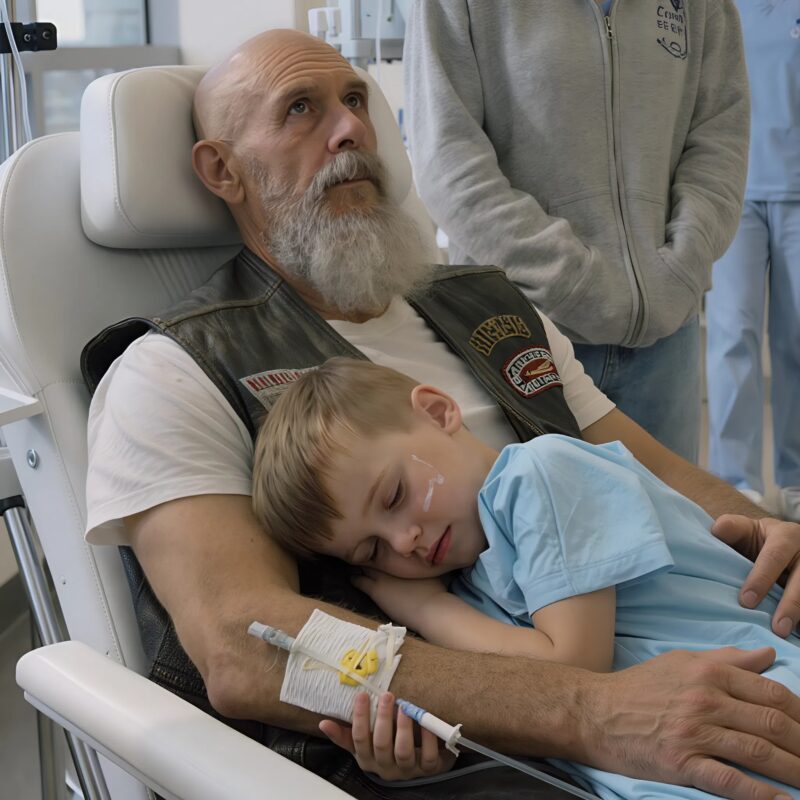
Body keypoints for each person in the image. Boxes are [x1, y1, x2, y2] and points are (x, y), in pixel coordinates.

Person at [82, 27, 800, 800]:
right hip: (488, 753)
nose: (352, 127)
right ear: (222, 169)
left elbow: (661, 474)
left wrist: (779, 546)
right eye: (300, 109)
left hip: (685, 656)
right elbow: (246, 645)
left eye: (355, 99)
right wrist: (588, 710)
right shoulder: (174, 370)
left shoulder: (487, 304)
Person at [252, 356, 800, 799]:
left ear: (439, 411)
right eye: (372, 549)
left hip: (763, 702)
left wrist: (424, 611)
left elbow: (571, 672)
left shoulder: (538, 475)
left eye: (394, 496)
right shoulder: (470, 588)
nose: (404, 543)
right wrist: (424, 756)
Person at [404, 0, 750, 462]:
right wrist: (574, 282)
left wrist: (683, 265)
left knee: (678, 528)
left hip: (666, 335)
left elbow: (719, 136)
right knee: (549, 529)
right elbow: (447, 162)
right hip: (523, 333)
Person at [705, 0, 800, 521]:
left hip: (797, 190)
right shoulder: (717, 8)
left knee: (797, 341)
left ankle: (795, 480)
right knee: (732, 335)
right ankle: (735, 485)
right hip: (730, 194)